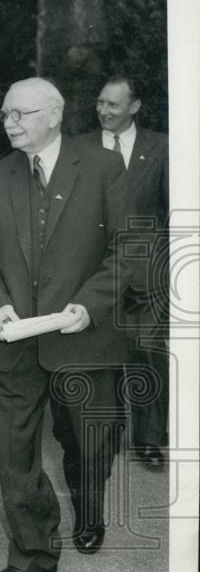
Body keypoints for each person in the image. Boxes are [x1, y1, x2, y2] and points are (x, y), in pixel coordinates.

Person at [0, 77, 130, 572]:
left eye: (21, 114)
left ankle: (88, 506)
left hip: (84, 336)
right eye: (6, 116)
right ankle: (32, 550)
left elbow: (128, 248)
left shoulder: (103, 168)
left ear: (54, 115)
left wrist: (92, 304)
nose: (10, 123)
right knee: (14, 452)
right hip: (15, 342)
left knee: (89, 443)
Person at [74, 75, 169, 469]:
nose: (104, 111)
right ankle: (108, 435)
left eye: (113, 104)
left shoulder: (162, 148)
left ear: (135, 107)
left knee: (148, 354)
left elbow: (171, 211)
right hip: (98, 272)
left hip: (148, 273)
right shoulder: (78, 148)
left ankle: (149, 439)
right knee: (104, 357)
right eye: (100, 103)